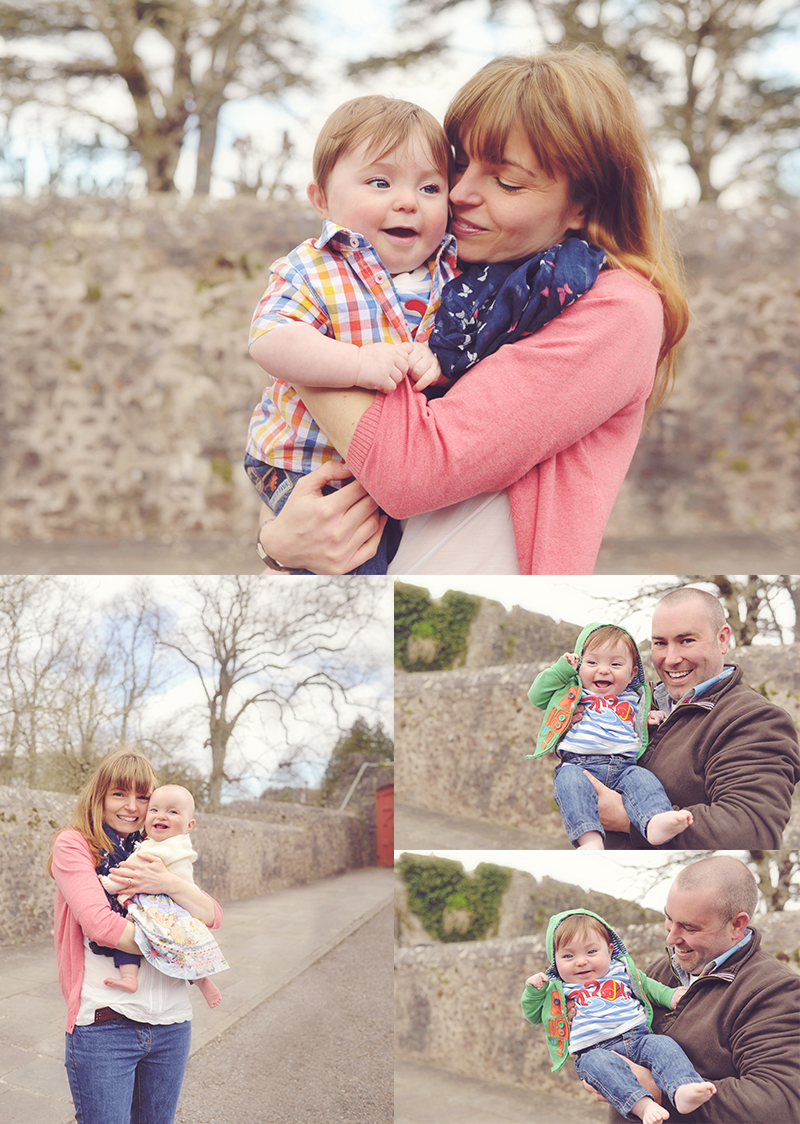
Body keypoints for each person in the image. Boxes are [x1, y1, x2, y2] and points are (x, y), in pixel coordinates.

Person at [254, 47, 690, 575]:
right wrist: (278, 545)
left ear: (583, 205)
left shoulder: (618, 309)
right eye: (457, 163)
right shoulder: (439, 270)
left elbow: (412, 469)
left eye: (506, 181)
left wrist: (310, 335)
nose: (459, 193)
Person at [244, 94, 458, 574]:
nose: (407, 201)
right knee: (355, 564)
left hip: (396, 473)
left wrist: (440, 359)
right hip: (312, 469)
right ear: (321, 198)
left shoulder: (455, 272)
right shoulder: (315, 266)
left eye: (430, 187)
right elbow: (272, 339)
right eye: (380, 182)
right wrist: (358, 364)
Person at [48, 749, 224, 1124]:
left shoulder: (157, 848)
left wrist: (169, 883)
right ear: (99, 796)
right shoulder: (74, 844)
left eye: (143, 797)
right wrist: (182, 946)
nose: (132, 806)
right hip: (106, 1025)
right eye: (119, 794)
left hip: (172, 1026)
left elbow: (212, 915)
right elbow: (102, 926)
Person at [584, 587, 800, 849]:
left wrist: (628, 819)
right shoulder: (635, 700)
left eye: (686, 641)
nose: (670, 659)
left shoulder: (755, 720)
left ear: (722, 640)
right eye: (660, 643)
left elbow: (751, 829)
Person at [601, 855, 800, 1124]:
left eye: (690, 927)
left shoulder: (774, 990)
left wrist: (658, 1091)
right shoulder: (661, 970)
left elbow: (778, 1104)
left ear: (737, 925)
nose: (671, 937)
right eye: (669, 918)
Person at [522, 908, 716, 1123]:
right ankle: (643, 1105)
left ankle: (683, 1087)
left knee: (664, 1045)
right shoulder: (558, 988)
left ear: (609, 949)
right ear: (555, 961)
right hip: (594, 1050)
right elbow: (533, 1014)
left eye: (591, 952)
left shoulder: (621, 970)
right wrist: (534, 991)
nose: (581, 961)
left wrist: (670, 996)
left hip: (638, 1038)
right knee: (599, 1067)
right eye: (568, 956)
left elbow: (649, 987)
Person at [527, 623, 693, 849]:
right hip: (578, 764)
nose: (603, 670)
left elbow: (637, 719)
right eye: (592, 662)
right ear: (579, 665)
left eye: (616, 664)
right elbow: (536, 696)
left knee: (645, 781)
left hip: (624, 766)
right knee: (569, 785)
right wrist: (561, 670)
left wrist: (648, 717)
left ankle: (654, 821)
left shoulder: (634, 698)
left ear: (633, 672)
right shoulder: (574, 692)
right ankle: (590, 838)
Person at [99, 784, 228, 1009]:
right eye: (155, 810)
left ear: (189, 825)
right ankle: (200, 979)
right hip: (178, 906)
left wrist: (108, 884)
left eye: (172, 812)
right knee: (180, 944)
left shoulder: (162, 847)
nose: (161, 816)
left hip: (165, 906)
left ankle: (130, 976)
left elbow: (131, 871)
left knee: (154, 937)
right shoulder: (172, 843)